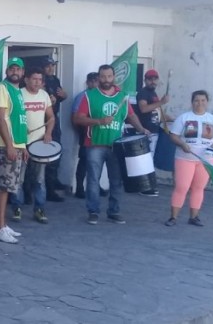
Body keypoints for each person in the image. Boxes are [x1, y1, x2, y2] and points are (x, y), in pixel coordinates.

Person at [73, 64, 149, 225]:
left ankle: (114, 212)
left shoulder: (122, 96)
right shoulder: (89, 96)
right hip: (94, 144)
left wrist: (142, 129)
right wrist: (99, 121)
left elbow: (131, 115)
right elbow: (78, 118)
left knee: (116, 180)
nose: (106, 79)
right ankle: (93, 211)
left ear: (113, 77)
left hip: (117, 145)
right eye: (102, 76)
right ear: (98, 77)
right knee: (93, 180)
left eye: (109, 76)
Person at [165, 90, 213, 227]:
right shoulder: (184, 118)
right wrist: (182, 144)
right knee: (182, 187)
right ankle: (173, 217)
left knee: (199, 188)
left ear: (207, 102)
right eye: (197, 100)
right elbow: (173, 135)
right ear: (192, 102)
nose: (200, 103)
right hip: (184, 158)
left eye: (203, 100)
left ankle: (194, 217)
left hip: (206, 160)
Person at [0, 57, 28, 243]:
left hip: (16, 145)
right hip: (4, 145)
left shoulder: (18, 91)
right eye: (12, 68)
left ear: (22, 73)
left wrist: (23, 145)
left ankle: (3, 225)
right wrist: (10, 145)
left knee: (9, 186)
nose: (15, 71)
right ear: (6, 71)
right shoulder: (1, 89)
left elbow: (19, 121)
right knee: (3, 187)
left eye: (18, 69)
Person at [18, 67, 55, 224]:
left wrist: (48, 133)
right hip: (21, 143)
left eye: (40, 80)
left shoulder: (44, 95)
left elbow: (51, 117)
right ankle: (16, 207)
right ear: (26, 79)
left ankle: (39, 209)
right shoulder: (19, 94)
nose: (37, 82)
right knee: (18, 179)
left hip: (39, 144)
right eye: (34, 79)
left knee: (39, 179)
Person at [136, 69, 174, 197]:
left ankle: (148, 185)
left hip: (155, 130)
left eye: (155, 78)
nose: (153, 81)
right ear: (145, 80)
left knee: (149, 159)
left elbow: (156, 112)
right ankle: (144, 186)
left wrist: (174, 119)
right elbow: (143, 108)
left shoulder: (153, 93)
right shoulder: (143, 93)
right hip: (146, 131)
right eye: (150, 79)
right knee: (146, 159)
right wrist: (161, 102)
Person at [41, 56, 67, 202]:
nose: (51, 68)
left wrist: (63, 96)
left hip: (53, 120)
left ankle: (53, 183)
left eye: (52, 66)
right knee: (42, 158)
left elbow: (60, 95)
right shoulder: (40, 80)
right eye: (48, 66)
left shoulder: (55, 80)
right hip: (41, 121)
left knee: (56, 152)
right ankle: (47, 190)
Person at [71, 72, 99, 199]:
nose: (94, 83)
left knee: (97, 161)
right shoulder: (82, 96)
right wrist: (82, 130)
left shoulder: (101, 96)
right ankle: (80, 188)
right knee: (84, 161)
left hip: (100, 132)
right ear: (87, 82)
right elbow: (74, 117)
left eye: (96, 81)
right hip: (86, 132)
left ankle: (95, 186)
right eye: (91, 81)